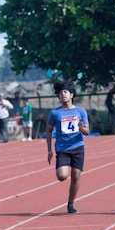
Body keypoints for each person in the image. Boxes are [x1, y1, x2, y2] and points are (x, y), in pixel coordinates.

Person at [46, 79, 89, 214]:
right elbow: (48, 130)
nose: (63, 95)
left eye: (65, 92)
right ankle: (63, 168)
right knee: (62, 176)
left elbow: (87, 132)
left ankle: (71, 203)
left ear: (71, 95)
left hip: (78, 146)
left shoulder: (80, 111)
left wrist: (82, 128)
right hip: (62, 148)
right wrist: (49, 150)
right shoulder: (55, 113)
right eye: (60, 93)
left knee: (76, 176)